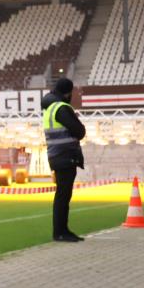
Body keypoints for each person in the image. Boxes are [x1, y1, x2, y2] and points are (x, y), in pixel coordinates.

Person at [41, 78, 86, 242]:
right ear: (68, 92)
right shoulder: (62, 108)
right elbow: (79, 131)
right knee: (63, 195)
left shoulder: (50, 108)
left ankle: (62, 230)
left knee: (63, 194)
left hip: (57, 155)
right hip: (65, 155)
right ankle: (60, 232)